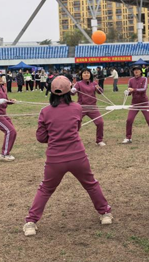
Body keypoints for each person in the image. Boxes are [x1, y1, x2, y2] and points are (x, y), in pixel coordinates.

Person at [23, 76, 113, 236]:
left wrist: (54, 135)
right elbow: (77, 127)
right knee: (91, 184)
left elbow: (41, 138)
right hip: (78, 156)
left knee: (45, 189)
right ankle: (105, 213)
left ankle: (31, 222)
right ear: (69, 91)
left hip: (55, 159)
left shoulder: (45, 111)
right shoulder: (77, 107)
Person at [122, 65, 149, 144]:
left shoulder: (144, 79)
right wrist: (127, 92)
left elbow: (144, 89)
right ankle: (128, 138)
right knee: (129, 120)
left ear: (141, 71)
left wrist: (133, 90)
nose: (136, 71)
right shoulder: (131, 80)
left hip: (144, 103)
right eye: (134, 70)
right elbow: (130, 91)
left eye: (138, 70)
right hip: (134, 103)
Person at [72, 68, 106, 146]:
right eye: (84, 73)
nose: (86, 74)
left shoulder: (94, 83)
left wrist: (99, 88)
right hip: (81, 107)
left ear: (90, 74)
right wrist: (72, 90)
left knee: (100, 122)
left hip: (93, 107)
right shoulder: (78, 84)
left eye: (88, 73)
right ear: (81, 75)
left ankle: (99, 140)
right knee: (75, 123)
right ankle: (73, 140)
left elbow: (100, 92)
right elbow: (72, 93)